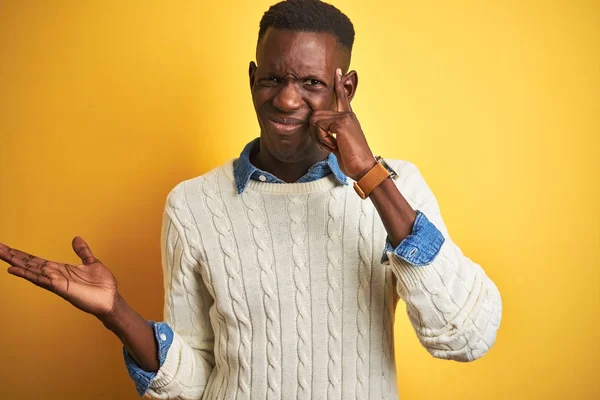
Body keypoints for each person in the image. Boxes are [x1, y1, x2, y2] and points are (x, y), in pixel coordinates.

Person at [0, 0, 502, 399]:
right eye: (272, 79)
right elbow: (195, 383)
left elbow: (466, 336)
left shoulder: (398, 188)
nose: (286, 99)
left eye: (311, 82)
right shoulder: (192, 205)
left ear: (345, 89)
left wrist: (368, 175)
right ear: (251, 79)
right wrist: (118, 313)